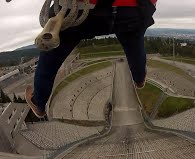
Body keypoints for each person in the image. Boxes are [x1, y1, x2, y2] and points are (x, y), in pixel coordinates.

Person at [25, 0, 157, 118]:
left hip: (84, 10)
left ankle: (39, 103)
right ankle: (139, 79)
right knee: (135, 43)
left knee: (51, 53)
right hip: (134, 9)